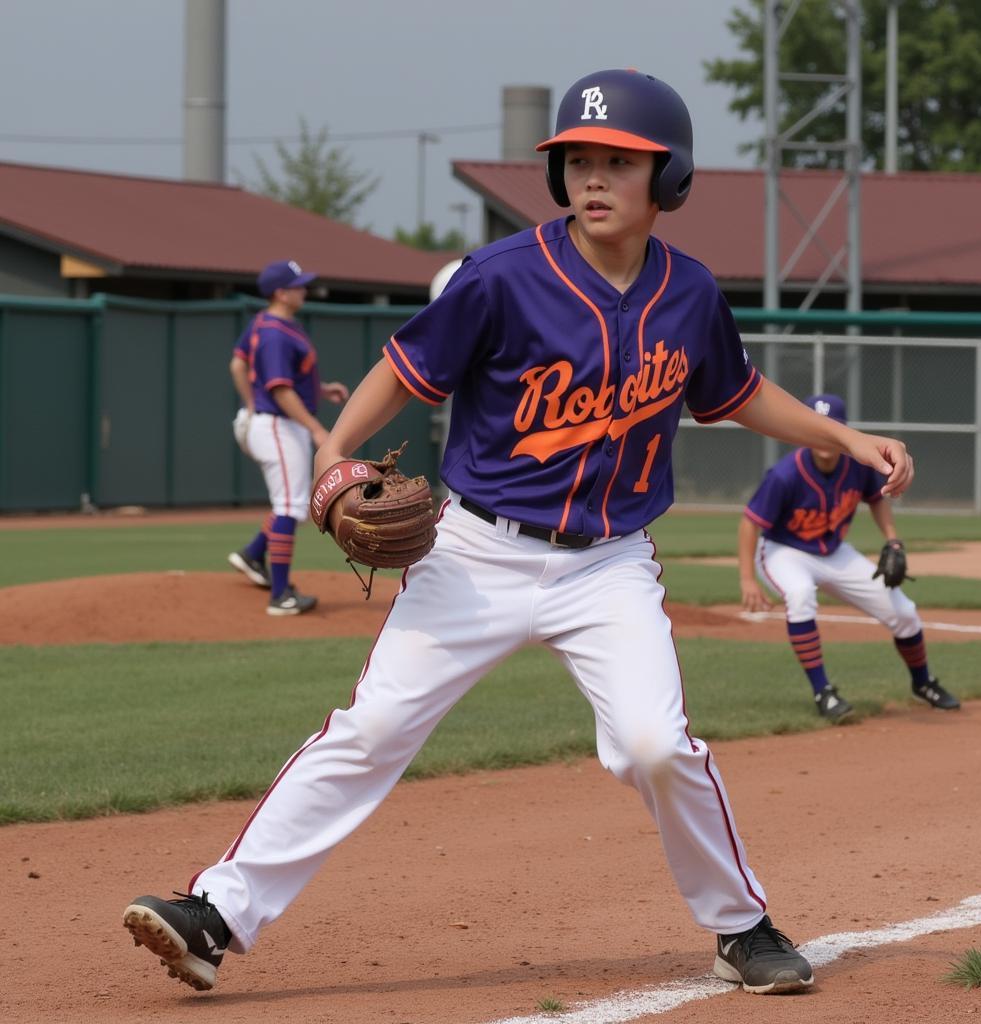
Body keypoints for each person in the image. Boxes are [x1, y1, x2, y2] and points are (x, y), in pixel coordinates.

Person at [123, 69, 917, 997]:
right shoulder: (500, 276)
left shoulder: (690, 294)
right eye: (578, 159)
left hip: (609, 565)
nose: (593, 176)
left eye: (618, 161)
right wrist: (338, 454)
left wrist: (846, 437)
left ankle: (741, 927)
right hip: (475, 552)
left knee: (655, 748)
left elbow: (737, 394)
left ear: (668, 177)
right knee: (373, 726)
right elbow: (403, 368)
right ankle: (214, 914)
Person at [738, 393, 960, 722]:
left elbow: (877, 498)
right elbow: (750, 525)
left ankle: (923, 682)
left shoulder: (856, 465)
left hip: (833, 551)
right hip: (784, 551)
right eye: (819, 427)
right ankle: (822, 691)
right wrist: (747, 579)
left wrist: (893, 541)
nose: (826, 437)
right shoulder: (785, 475)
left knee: (905, 612)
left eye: (833, 428)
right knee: (800, 596)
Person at [226, 259, 349, 615]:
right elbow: (280, 390)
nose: (304, 290)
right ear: (281, 292)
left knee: (292, 505)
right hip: (279, 425)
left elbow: (238, 364)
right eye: (298, 285)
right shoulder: (276, 333)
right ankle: (281, 596)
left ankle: (251, 555)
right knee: (291, 507)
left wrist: (321, 390)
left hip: (272, 421)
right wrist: (315, 427)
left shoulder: (264, 323)